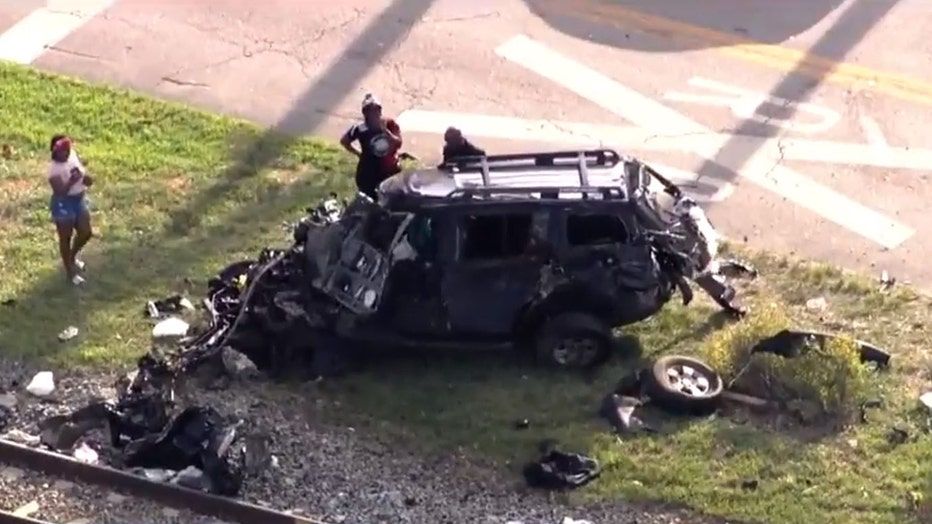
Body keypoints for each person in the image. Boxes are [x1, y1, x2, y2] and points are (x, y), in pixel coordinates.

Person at [47, 134, 94, 285]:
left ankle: (72, 257)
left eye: (68, 150)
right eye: (64, 151)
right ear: (55, 151)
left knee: (86, 232)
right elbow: (60, 192)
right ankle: (70, 272)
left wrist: (86, 179)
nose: (67, 153)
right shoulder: (54, 170)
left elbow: (83, 175)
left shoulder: (72, 155)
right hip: (63, 203)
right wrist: (71, 181)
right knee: (65, 238)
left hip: (78, 198)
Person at [340, 93, 402, 200]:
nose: (374, 114)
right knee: (369, 199)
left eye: (376, 110)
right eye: (370, 111)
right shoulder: (360, 128)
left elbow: (398, 143)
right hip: (368, 170)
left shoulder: (389, 124)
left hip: (388, 168)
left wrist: (386, 132)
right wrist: (359, 154)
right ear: (365, 113)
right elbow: (345, 141)